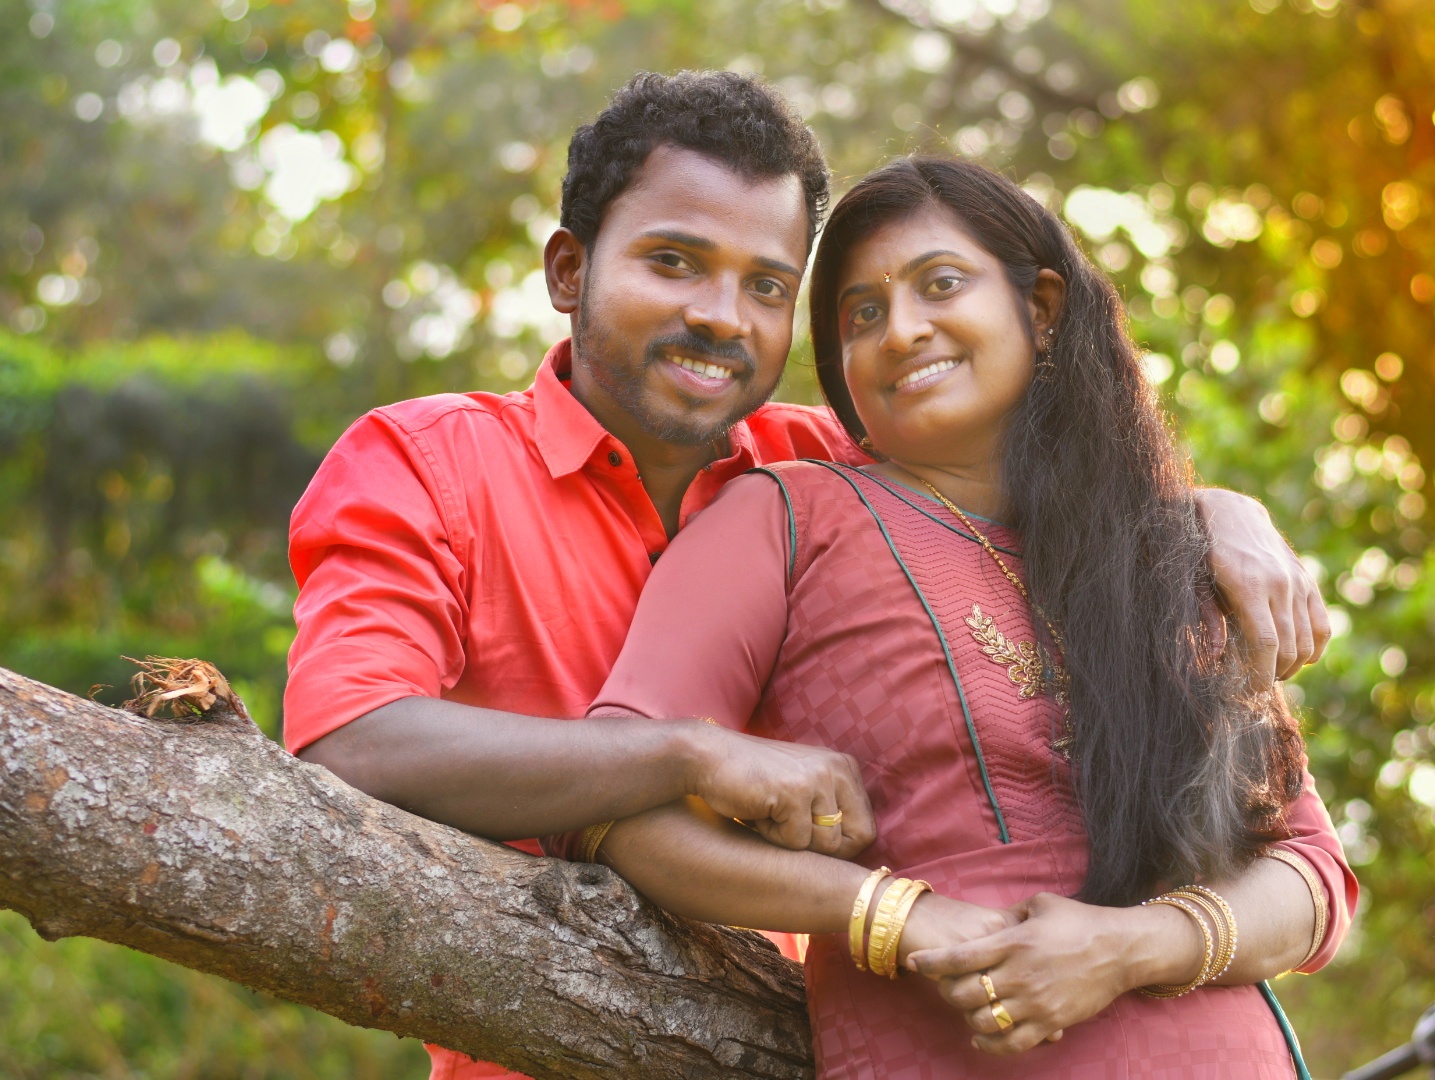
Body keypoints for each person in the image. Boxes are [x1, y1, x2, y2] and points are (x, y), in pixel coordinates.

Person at [283, 72, 1331, 1080]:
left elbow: (1035, 477)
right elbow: (352, 743)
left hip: (801, 1035)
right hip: (537, 1045)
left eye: (769, 286)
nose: (724, 317)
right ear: (569, 271)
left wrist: (1207, 517)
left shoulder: (826, 461)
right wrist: (693, 755)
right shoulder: (430, 464)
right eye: (674, 262)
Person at [564, 157, 1356, 1078]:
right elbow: (611, 808)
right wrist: (891, 914)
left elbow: (1311, 871)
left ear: (1044, 308)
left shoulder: (1161, 560)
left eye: (941, 284)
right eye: (861, 314)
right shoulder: (780, 519)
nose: (900, 331)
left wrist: (1130, 948)